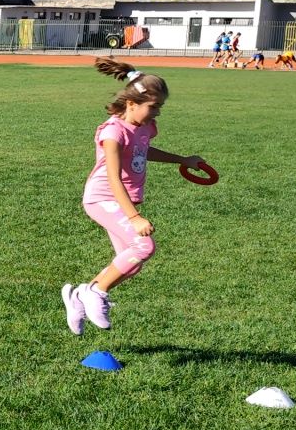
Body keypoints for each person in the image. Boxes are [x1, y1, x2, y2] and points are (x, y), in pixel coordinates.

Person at [60, 59, 207, 334]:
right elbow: (114, 178)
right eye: (154, 106)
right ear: (131, 103)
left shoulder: (143, 127)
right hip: (102, 198)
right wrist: (135, 217)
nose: (157, 113)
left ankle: (79, 296)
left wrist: (182, 160)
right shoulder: (113, 132)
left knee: (132, 262)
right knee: (143, 247)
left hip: (122, 200)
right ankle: (96, 292)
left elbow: (143, 150)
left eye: (160, 107)